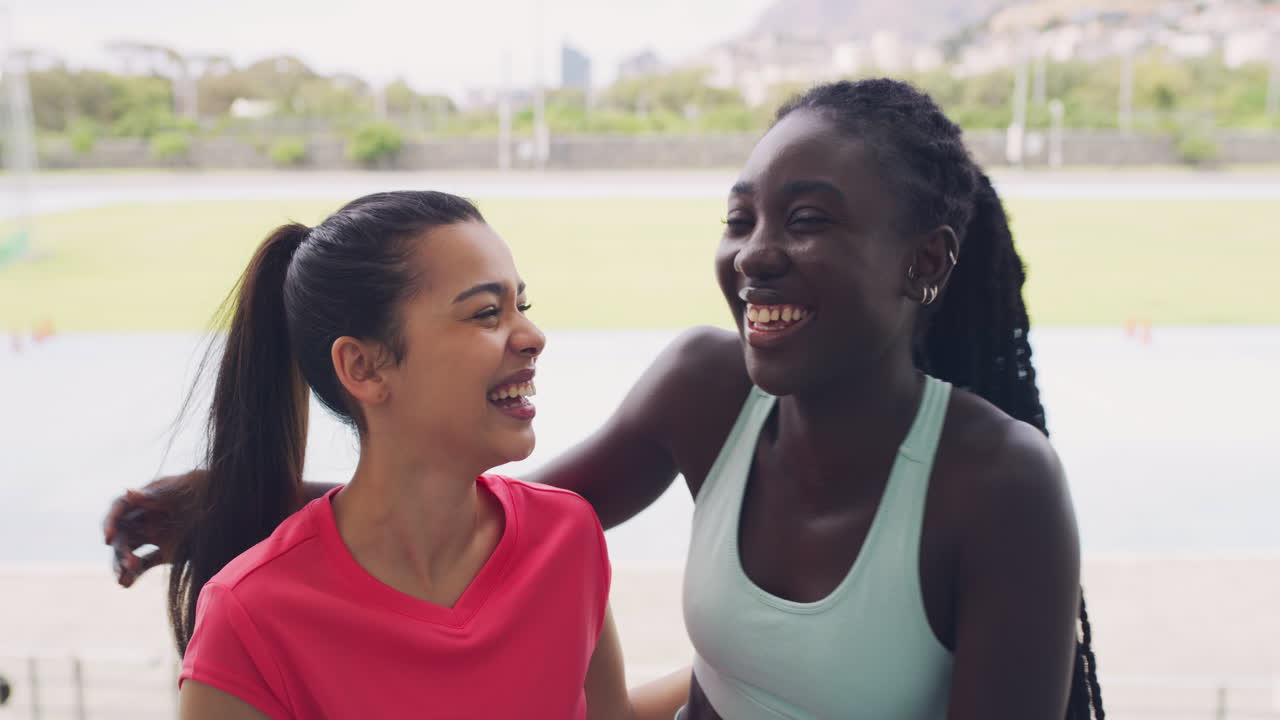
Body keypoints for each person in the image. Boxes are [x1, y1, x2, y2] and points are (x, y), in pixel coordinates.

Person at [107, 80, 1103, 719]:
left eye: (806, 220)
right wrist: (246, 493)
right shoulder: (705, 389)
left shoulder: (996, 486)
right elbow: (464, 509)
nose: (754, 252)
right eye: (740, 216)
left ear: (923, 261)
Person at [160, 190, 686, 719]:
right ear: (363, 367)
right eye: (486, 313)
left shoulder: (567, 536)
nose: (532, 336)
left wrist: (757, 664)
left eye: (520, 307)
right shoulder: (249, 617)